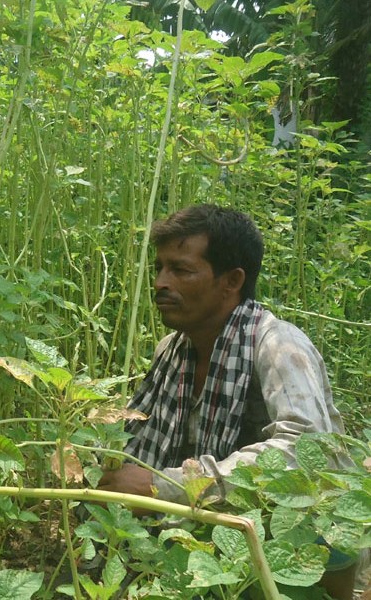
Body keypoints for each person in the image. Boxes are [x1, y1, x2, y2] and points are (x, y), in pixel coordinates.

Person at [96, 204, 356, 598]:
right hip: (212, 522)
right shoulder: (172, 349)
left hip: (291, 528)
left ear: (231, 280)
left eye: (181, 270)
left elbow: (307, 453)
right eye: (160, 267)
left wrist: (163, 488)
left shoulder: (278, 345)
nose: (161, 283)